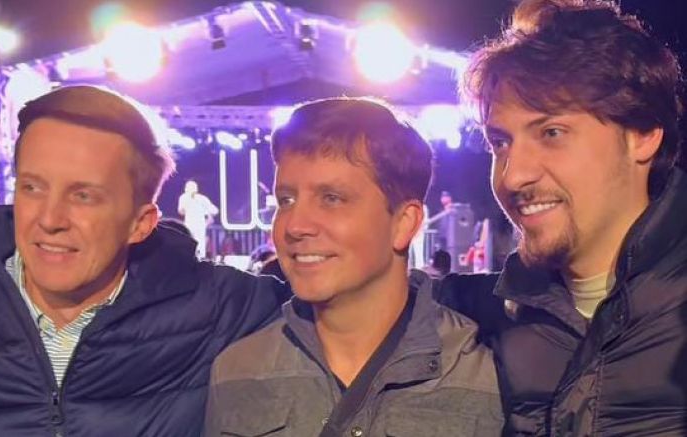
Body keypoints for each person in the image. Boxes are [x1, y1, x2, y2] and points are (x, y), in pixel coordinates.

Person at [0, 85, 291, 436]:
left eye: (83, 196)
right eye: (32, 187)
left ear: (140, 223)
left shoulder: (219, 307)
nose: (50, 219)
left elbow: (338, 317)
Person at [204, 98, 503, 436]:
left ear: (404, 223)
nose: (295, 225)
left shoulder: (486, 376)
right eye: (286, 200)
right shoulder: (237, 371)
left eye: (331, 198)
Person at [458, 0, 686, 434]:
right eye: (500, 142)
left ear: (642, 135)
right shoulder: (481, 318)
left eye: (551, 133)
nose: (513, 175)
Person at [178, 179, 219, 259]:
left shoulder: (202, 199)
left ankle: (199, 260)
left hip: (200, 226)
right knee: (189, 244)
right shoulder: (183, 198)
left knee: (200, 246)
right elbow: (180, 211)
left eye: (191, 187)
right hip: (189, 225)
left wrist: (208, 215)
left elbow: (215, 210)